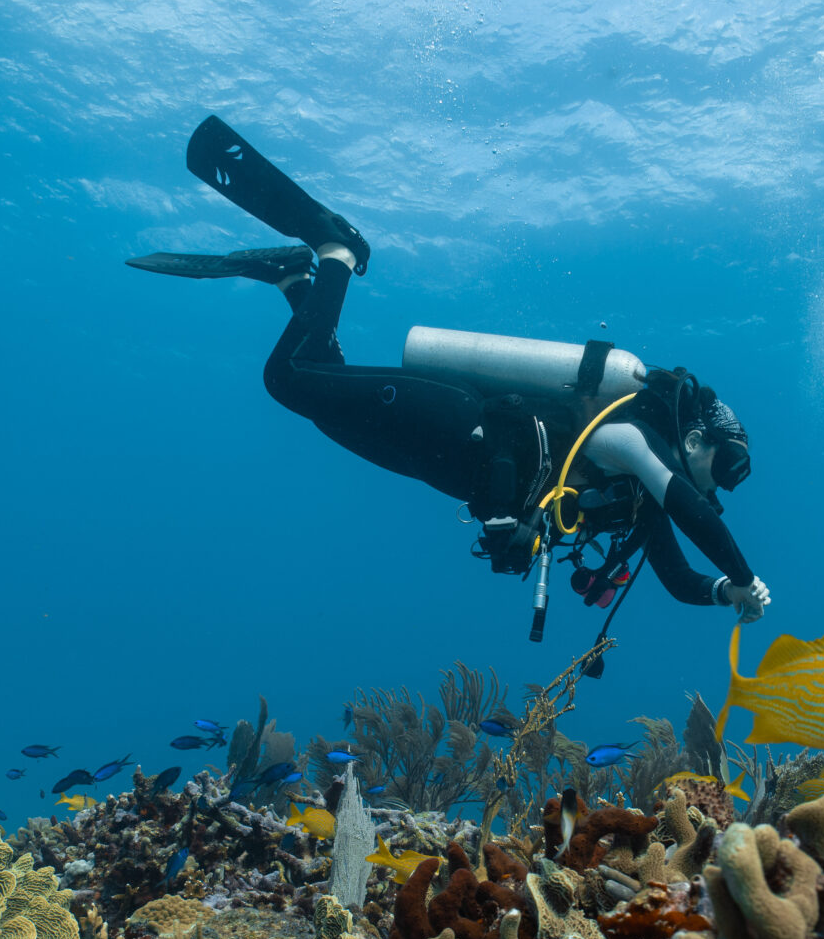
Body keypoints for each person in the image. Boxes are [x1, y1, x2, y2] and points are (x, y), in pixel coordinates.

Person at [128, 117, 771, 631]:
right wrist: (743, 569)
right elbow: (693, 510)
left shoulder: (641, 501)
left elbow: (679, 579)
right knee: (289, 382)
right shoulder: (629, 438)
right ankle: (337, 249)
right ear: (694, 438)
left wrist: (727, 594)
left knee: (321, 396)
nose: (728, 484)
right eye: (730, 464)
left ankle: (297, 277)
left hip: (452, 472)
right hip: (458, 423)